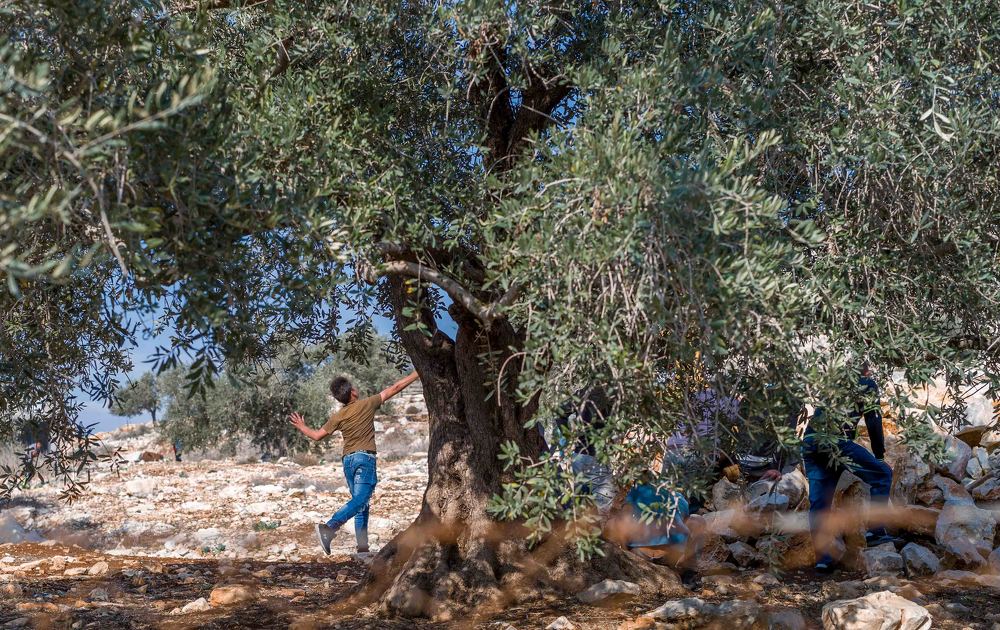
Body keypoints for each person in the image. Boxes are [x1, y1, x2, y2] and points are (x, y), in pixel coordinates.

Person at [289, 370, 420, 556]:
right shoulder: (367, 404)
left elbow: (317, 436)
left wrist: (302, 426)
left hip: (348, 461)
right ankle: (329, 528)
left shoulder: (338, 415)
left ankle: (363, 549)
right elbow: (395, 388)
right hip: (364, 459)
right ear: (352, 392)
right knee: (360, 501)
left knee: (360, 504)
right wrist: (417, 373)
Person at [801, 365, 895, 572]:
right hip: (836, 441)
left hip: (810, 442)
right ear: (867, 371)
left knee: (820, 503)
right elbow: (873, 419)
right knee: (883, 475)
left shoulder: (833, 384)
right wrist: (879, 456)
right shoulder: (867, 383)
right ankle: (875, 531)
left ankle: (823, 560)